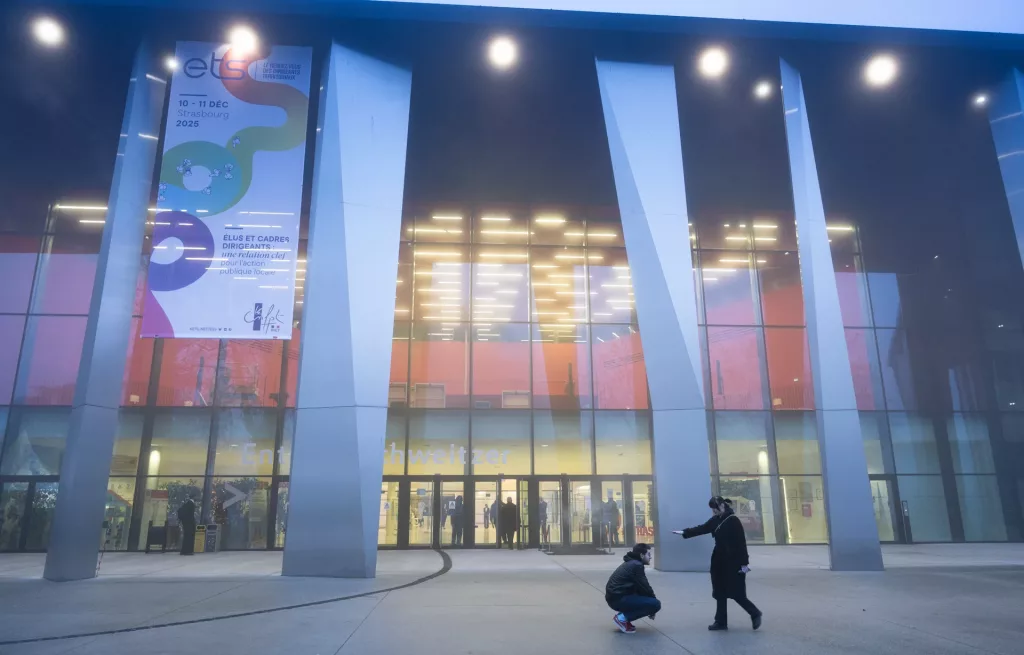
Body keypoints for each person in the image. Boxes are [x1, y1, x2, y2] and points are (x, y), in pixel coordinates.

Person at [679, 496, 762, 631]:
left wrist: (744, 564)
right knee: (720, 592)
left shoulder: (733, 521)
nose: (714, 512)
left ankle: (754, 613)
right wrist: (685, 532)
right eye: (712, 510)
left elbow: (741, 544)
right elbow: (702, 528)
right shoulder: (716, 520)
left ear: (722, 506)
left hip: (733, 561)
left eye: (715, 509)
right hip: (718, 560)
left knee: (737, 593)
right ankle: (721, 622)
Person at [604, 543, 660, 633]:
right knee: (656, 604)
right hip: (618, 599)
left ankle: (624, 618)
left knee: (648, 600)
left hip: (615, 597)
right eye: (648, 555)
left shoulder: (631, 563)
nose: (650, 557)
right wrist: (653, 607)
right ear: (641, 555)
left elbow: (640, 588)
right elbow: (645, 586)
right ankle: (622, 618)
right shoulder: (637, 565)